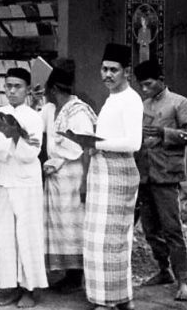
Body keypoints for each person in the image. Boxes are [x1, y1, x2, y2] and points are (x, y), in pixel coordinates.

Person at [64, 43, 142, 310]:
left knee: (112, 240)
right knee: (98, 239)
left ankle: (112, 301)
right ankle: (118, 299)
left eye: (114, 70)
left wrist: (95, 144)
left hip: (119, 172)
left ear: (127, 72)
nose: (107, 74)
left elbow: (134, 143)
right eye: (104, 69)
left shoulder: (131, 99)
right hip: (101, 170)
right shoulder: (111, 99)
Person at [0, 67, 48, 308]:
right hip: (4, 180)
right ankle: (9, 285)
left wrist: (11, 138)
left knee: (27, 236)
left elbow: (32, 151)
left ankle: (31, 289)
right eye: (8, 86)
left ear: (28, 90)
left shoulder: (34, 117)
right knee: (3, 237)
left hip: (26, 182)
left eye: (17, 86)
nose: (12, 91)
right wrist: (10, 139)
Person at [133, 59, 187, 301]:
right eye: (141, 85)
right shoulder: (142, 104)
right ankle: (164, 270)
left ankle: (183, 281)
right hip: (145, 173)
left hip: (167, 174)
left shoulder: (180, 103)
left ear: (161, 80)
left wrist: (164, 133)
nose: (145, 89)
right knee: (150, 228)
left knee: (172, 228)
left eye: (148, 84)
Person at [41, 59, 96, 293]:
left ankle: (76, 275)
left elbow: (82, 146)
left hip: (73, 174)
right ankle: (66, 272)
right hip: (56, 178)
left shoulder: (78, 111)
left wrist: (83, 180)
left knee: (75, 226)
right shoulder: (53, 109)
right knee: (60, 226)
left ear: (54, 90)